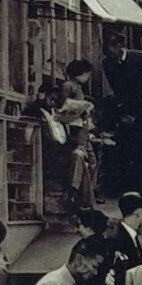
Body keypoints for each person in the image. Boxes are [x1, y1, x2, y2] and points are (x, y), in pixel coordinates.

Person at [103, 31, 142, 196]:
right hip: (127, 112)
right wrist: (122, 109)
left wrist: (136, 113)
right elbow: (117, 88)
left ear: (119, 46)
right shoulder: (107, 64)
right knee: (134, 148)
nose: (108, 52)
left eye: (111, 47)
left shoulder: (139, 58)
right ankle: (138, 183)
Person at [59, 59, 99, 212]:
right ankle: (79, 195)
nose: (88, 77)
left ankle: (85, 195)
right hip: (76, 129)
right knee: (86, 160)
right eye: (87, 74)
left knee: (91, 162)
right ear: (80, 73)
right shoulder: (69, 86)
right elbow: (65, 108)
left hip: (82, 128)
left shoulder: (76, 87)